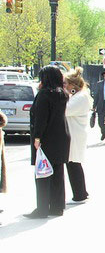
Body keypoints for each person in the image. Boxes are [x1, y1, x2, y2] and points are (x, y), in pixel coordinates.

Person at [24, 65, 70, 219]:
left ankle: (42, 209)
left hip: (47, 139)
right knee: (57, 173)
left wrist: (37, 138)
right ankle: (57, 207)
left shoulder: (44, 95)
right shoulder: (62, 94)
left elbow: (41, 119)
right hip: (61, 138)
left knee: (42, 174)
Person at [64, 67, 93, 203]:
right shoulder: (79, 96)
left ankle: (80, 194)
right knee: (73, 163)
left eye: (66, 84)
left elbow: (65, 110)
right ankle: (80, 192)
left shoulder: (80, 97)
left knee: (73, 163)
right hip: (75, 132)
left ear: (72, 85)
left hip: (75, 134)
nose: (65, 86)